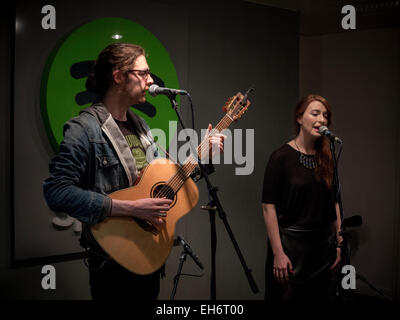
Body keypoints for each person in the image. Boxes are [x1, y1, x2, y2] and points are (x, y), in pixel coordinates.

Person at [43, 42, 224, 300]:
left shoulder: (142, 127)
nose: (150, 81)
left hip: (149, 260)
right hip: (112, 267)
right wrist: (131, 208)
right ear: (118, 77)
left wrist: (203, 158)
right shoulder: (84, 129)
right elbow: (56, 192)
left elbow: (165, 187)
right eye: (143, 73)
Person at [262, 94, 343, 300]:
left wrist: (339, 244)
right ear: (299, 118)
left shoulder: (327, 158)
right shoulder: (280, 157)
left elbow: (334, 203)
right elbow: (268, 207)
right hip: (291, 250)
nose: (321, 120)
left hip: (322, 251)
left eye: (325, 116)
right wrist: (278, 253)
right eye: (315, 113)